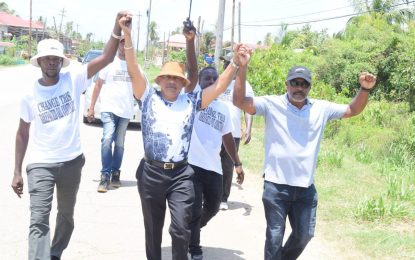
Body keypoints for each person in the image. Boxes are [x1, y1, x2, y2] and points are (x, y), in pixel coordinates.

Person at [119, 16, 251, 260]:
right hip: (151, 173)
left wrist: (235, 63)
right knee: (153, 231)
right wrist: (127, 36)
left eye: (177, 79)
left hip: (181, 174)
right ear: (159, 81)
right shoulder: (147, 97)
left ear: (183, 84)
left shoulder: (191, 102)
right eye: (167, 78)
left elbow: (219, 87)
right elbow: (133, 69)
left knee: (181, 229)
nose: (171, 82)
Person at [11, 11, 132, 260]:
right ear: (40, 62)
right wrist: (17, 170)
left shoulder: (73, 79)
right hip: (40, 164)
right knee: (38, 221)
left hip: (71, 162)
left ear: (61, 61)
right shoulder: (29, 94)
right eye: (47, 59)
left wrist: (116, 26)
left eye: (56, 59)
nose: (52, 63)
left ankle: (54, 254)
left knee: (66, 217)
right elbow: (22, 134)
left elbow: (108, 57)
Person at [233, 64, 376, 260]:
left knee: (304, 235)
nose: (299, 88)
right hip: (276, 186)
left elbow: (352, 109)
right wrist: (242, 66)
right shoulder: (271, 104)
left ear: (309, 87)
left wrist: (365, 89)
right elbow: (239, 101)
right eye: (295, 83)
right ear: (286, 85)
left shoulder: (321, 109)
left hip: (305, 189)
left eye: (304, 84)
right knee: (274, 236)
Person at [187, 66, 245, 260]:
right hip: (191, 165)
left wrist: (237, 162)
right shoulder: (193, 99)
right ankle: (194, 246)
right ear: (199, 81)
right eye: (206, 78)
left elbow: (227, 138)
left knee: (213, 207)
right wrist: (189, 42)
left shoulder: (223, 109)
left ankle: (190, 230)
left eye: (214, 78)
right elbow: (191, 68)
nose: (211, 81)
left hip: (213, 167)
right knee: (194, 209)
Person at [86, 36, 136, 193]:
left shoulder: (133, 65)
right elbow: (98, 85)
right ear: (117, 44)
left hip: (126, 111)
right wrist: (91, 107)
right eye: (120, 41)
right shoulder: (108, 64)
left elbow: (140, 88)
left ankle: (115, 173)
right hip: (108, 109)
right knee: (107, 139)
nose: (123, 45)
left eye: (125, 42)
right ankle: (104, 175)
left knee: (119, 144)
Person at [218, 52, 255, 210]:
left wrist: (248, 127)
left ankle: (223, 199)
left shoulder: (244, 85)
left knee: (227, 165)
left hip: (233, 132)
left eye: (230, 63)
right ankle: (208, 195)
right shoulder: (218, 82)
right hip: (214, 131)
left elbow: (248, 108)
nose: (227, 65)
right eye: (226, 63)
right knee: (211, 164)